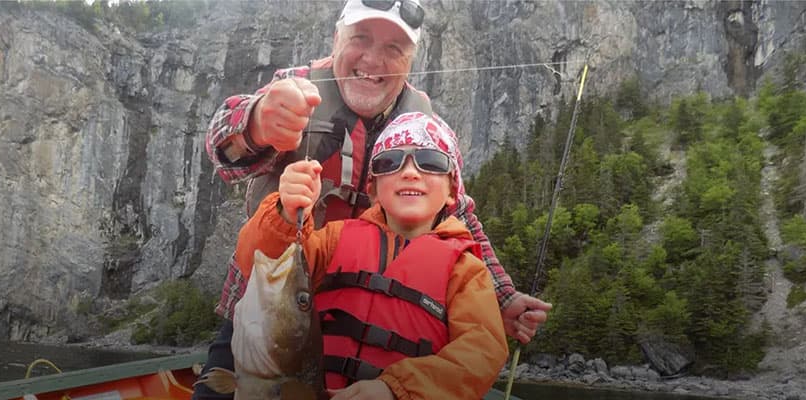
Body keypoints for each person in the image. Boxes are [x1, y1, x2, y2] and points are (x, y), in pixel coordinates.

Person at [195, 1, 551, 398]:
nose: (373, 59)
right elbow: (222, 152)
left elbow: (461, 216)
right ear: (336, 41)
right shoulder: (296, 85)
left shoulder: (424, 125)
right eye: (361, 39)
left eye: (393, 49)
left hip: (361, 317)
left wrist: (504, 297)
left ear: (411, 61)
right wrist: (257, 122)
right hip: (271, 302)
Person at [236, 112, 507, 399]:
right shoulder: (333, 239)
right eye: (389, 162)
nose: (410, 172)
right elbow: (261, 265)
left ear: (453, 190)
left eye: (431, 161)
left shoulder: (465, 269)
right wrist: (286, 213)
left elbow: (482, 352)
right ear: (373, 189)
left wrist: (395, 390)